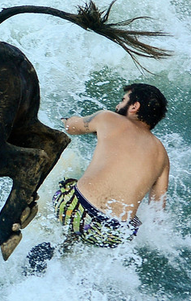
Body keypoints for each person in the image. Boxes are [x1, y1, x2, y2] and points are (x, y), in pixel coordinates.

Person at [27, 83, 169, 273]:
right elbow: (157, 212)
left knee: (69, 183)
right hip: (113, 234)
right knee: (126, 222)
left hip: (74, 209)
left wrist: (64, 118)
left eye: (123, 100)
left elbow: (71, 127)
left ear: (134, 107)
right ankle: (63, 254)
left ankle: (35, 226)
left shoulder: (108, 118)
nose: (118, 105)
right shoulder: (162, 155)